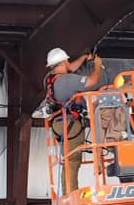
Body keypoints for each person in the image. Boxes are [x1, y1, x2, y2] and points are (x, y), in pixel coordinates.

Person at [44, 47, 103, 194]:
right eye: (67, 61)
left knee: (68, 159)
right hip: (70, 124)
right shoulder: (67, 80)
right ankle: (71, 194)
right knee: (74, 160)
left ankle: (67, 193)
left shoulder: (49, 78)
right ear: (63, 62)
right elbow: (92, 81)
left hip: (59, 124)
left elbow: (69, 68)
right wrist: (97, 64)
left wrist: (84, 57)